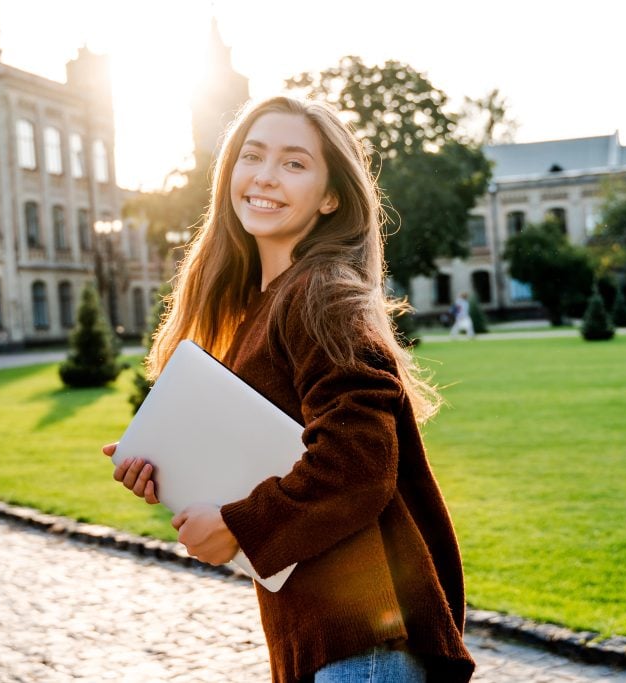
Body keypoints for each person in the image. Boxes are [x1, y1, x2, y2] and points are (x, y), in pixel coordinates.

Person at [102, 95, 474, 683]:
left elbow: (359, 461)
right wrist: (176, 475)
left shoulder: (322, 293)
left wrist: (237, 524)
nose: (266, 176)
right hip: (328, 640)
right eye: (253, 155)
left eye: (294, 163)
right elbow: (277, 453)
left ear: (331, 198)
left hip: (366, 641)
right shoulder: (265, 304)